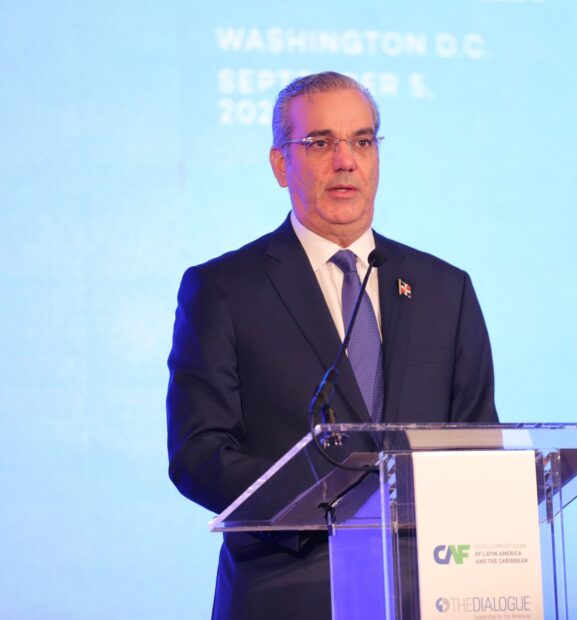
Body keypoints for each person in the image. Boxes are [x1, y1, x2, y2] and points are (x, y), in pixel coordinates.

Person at [166, 71, 498, 619]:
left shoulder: (445, 288)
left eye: (362, 142)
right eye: (321, 143)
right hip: (289, 592)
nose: (346, 161)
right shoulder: (224, 289)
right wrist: (327, 501)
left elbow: (477, 443)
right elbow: (199, 454)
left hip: (429, 591)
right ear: (281, 165)